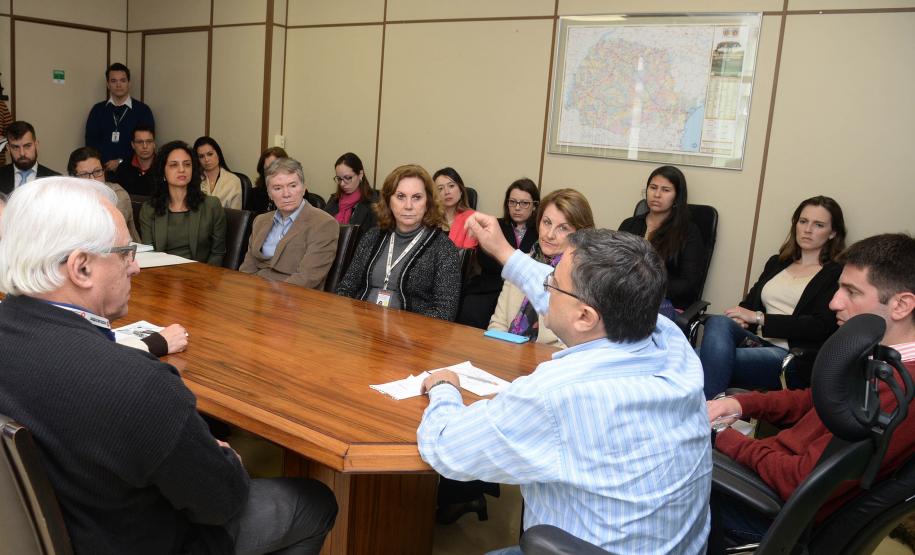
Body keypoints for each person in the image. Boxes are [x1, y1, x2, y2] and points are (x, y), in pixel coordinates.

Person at [0, 177, 337, 554]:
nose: (136, 268)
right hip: (140, 539)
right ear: (81, 269)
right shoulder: (138, 384)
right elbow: (220, 500)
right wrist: (226, 459)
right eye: (126, 253)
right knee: (312, 502)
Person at [418, 213, 711, 554]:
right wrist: (503, 251)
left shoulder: (557, 395)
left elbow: (446, 448)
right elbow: (570, 302)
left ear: (586, 316)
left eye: (552, 282)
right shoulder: (671, 340)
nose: (545, 286)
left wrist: (444, 387)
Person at [707, 233, 915, 548]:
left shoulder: (896, 390)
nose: (834, 302)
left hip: (772, 512)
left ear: (900, 305)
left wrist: (724, 437)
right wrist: (740, 404)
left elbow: (798, 480)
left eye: (851, 291)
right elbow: (816, 400)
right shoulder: (881, 358)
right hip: (771, 476)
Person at [699, 196, 846, 399]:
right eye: (803, 222)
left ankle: (709, 411)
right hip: (755, 342)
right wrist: (742, 319)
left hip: (790, 355)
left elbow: (820, 325)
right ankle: (714, 411)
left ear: (833, 233)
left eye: (818, 225)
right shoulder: (777, 262)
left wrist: (760, 318)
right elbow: (748, 306)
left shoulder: (836, 273)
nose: (808, 229)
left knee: (695, 359)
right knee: (718, 322)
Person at [336, 164, 461, 321]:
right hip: (363, 330)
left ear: (428, 202)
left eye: (417, 197)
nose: (408, 206)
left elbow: (445, 311)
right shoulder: (372, 237)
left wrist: (405, 333)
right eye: (400, 196)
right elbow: (346, 287)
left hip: (411, 337)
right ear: (389, 200)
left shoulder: (443, 248)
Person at [487, 188, 594, 348]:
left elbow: (576, 345)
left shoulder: (585, 275)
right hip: (506, 357)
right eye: (547, 222)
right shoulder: (521, 262)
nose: (549, 234)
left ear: (580, 233)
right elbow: (497, 324)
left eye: (563, 228)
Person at [239, 157, 339, 289]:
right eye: (278, 188)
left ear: (303, 188)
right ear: (269, 193)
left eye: (292, 186)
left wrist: (268, 297)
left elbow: (307, 278)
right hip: (255, 295)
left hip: (295, 299)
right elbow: (247, 269)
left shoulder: (324, 224)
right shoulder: (260, 221)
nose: (286, 194)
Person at [457, 178, 540, 329]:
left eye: (524, 203)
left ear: (534, 206)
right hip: (491, 285)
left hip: (522, 289)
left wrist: (504, 257)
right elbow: (484, 260)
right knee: (471, 308)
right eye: (512, 202)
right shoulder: (495, 225)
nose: (517, 207)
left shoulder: (541, 232)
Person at [618, 165, 704, 311]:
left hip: (664, 302)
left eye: (665, 190)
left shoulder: (688, 232)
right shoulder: (629, 225)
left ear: (677, 196)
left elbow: (688, 283)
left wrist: (645, 289)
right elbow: (614, 266)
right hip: (626, 298)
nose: (657, 194)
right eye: (653, 187)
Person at [139, 141, 227, 266]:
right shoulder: (149, 209)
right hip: (161, 277)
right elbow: (148, 255)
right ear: (163, 172)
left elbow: (218, 253)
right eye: (174, 165)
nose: (182, 170)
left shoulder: (212, 206)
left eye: (187, 164)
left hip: (201, 277)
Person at [84, 63, 155, 174]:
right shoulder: (97, 110)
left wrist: (121, 162)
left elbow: (146, 144)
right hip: (101, 171)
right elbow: (90, 142)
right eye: (113, 81)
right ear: (108, 84)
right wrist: (103, 163)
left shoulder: (143, 110)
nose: (118, 85)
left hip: (133, 172)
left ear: (129, 83)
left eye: (122, 80)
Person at [67, 146, 140, 242]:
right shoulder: (68, 197)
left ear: (104, 171)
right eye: (84, 174)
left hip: (129, 253)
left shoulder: (118, 195)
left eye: (97, 171)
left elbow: (108, 234)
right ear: (73, 179)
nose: (92, 179)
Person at [0, 120, 60, 194]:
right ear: (8, 149)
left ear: (36, 145)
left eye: (27, 146)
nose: (22, 153)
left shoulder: (55, 180)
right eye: (15, 147)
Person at [325, 152, 378, 229]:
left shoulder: (374, 202)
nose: (342, 184)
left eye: (347, 178)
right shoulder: (334, 200)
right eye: (339, 179)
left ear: (360, 174)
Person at [434, 167, 477, 248]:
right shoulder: (429, 220)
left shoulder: (472, 219)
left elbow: (467, 255)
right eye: (440, 189)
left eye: (451, 186)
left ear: (461, 191)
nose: (447, 192)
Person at [193, 136, 242, 210]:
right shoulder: (193, 179)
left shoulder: (233, 181)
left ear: (218, 154)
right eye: (201, 156)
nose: (206, 159)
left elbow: (236, 217)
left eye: (210, 154)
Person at [111, 123, 157, 197]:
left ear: (154, 144)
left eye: (149, 141)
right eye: (140, 142)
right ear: (133, 145)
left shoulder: (163, 167)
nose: (145, 146)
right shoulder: (123, 168)